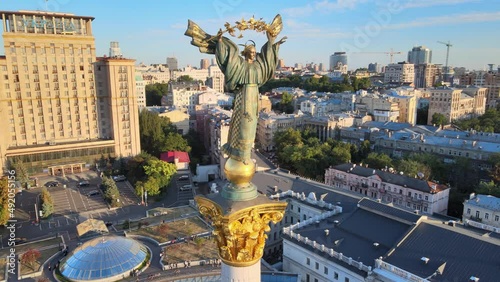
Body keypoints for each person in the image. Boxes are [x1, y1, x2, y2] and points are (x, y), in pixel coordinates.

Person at [185, 15, 286, 166]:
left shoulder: (259, 66)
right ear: (245, 53)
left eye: (254, 52)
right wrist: (219, 43)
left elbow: (268, 61)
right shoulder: (240, 65)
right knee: (244, 122)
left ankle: (246, 152)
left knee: (252, 125)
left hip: (254, 96)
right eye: (250, 52)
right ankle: (240, 152)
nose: (253, 53)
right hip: (244, 96)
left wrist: (271, 41)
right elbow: (229, 60)